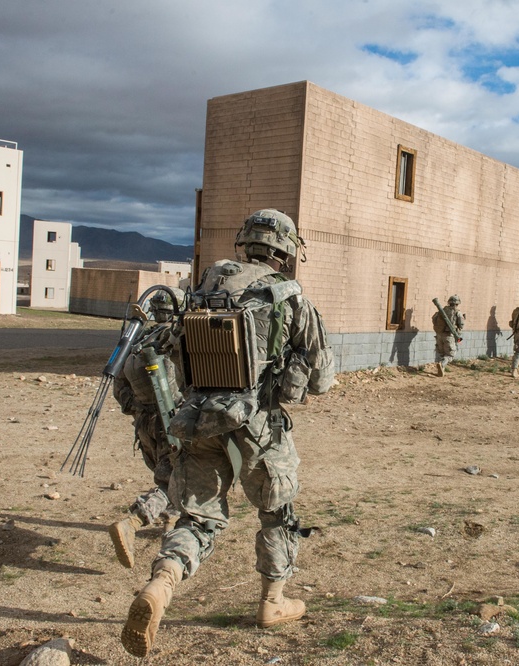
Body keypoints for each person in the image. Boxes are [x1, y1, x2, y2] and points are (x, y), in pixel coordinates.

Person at [120, 209, 335, 658]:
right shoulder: (289, 295)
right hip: (257, 423)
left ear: (246, 243)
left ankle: (160, 585)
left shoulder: (207, 285)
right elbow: (320, 378)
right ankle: (272, 603)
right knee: (277, 510)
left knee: (196, 517)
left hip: (197, 419)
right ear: (286, 250)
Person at [108, 289, 184, 569]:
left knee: (170, 476)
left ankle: (170, 523)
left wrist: (141, 410)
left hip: (144, 425)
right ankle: (134, 520)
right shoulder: (176, 341)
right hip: (172, 425)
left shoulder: (137, 342)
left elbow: (121, 391)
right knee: (174, 479)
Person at [432, 295, 464, 376]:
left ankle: (441, 370)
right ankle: (442, 364)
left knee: (442, 353)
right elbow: (461, 325)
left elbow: (434, 319)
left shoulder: (442, 310)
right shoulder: (457, 312)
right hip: (449, 335)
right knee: (450, 355)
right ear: (457, 303)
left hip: (439, 335)